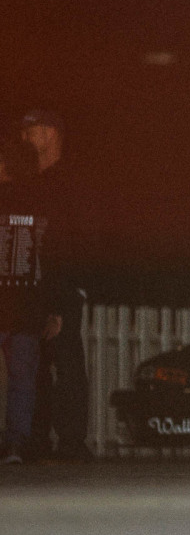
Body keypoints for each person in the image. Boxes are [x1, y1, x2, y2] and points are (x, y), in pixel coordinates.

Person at [0, 109, 86, 463]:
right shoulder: (31, 184)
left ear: (50, 133)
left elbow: (66, 243)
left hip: (54, 288)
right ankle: (34, 440)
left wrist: (66, 298)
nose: (24, 137)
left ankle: (68, 443)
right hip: (33, 292)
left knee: (62, 365)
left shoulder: (67, 181)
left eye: (30, 131)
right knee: (34, 371)